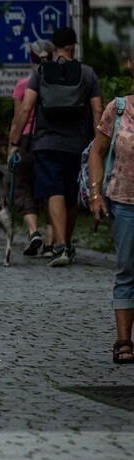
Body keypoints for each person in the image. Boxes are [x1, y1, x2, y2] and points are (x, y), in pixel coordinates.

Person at [9, 27, 103, 267]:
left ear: (54, 47)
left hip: (46, 143)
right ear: (73, 46)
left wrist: (14, 141)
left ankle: (60, 246)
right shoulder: (88, 74)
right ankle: (66, 244)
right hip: (77, 144)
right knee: (70, 197)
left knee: (53, 191)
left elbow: (26, 108)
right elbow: (97, 110)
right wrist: (97, 144)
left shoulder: (40, 73)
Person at [89, 85, 134, 363]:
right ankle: (124, 341)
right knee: (128, 269)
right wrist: (96, 196)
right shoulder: (117, 109)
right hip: (124, 202)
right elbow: (97, 153)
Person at [8, 39, 55, 256]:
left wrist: (12, 145)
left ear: (31, 60)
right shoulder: (58, 83)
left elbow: (19, 118)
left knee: (24, 187)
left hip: (27, 141)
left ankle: (33, 231)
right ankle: (50, 243)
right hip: (52, 139)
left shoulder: (22, 85)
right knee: (52, 191)